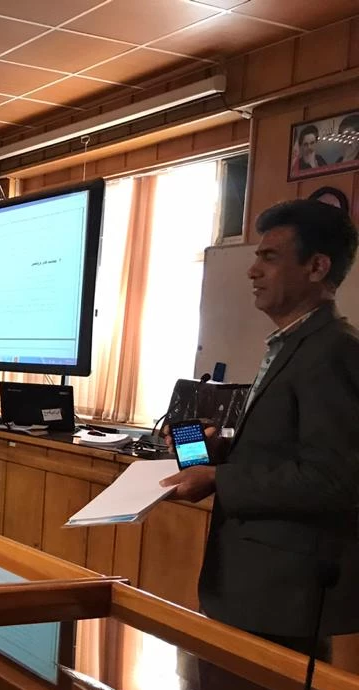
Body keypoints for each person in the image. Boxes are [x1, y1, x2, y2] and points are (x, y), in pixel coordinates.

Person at [162, 199, 359, 659]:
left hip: (284, 597)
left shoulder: (335, 352)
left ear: (317, 267)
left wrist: (218, 478)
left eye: (269, 257)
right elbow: (281, 452)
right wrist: (213, 452)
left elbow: (335, 479)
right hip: (249, 585)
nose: (252, 271)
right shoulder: (291, 345)